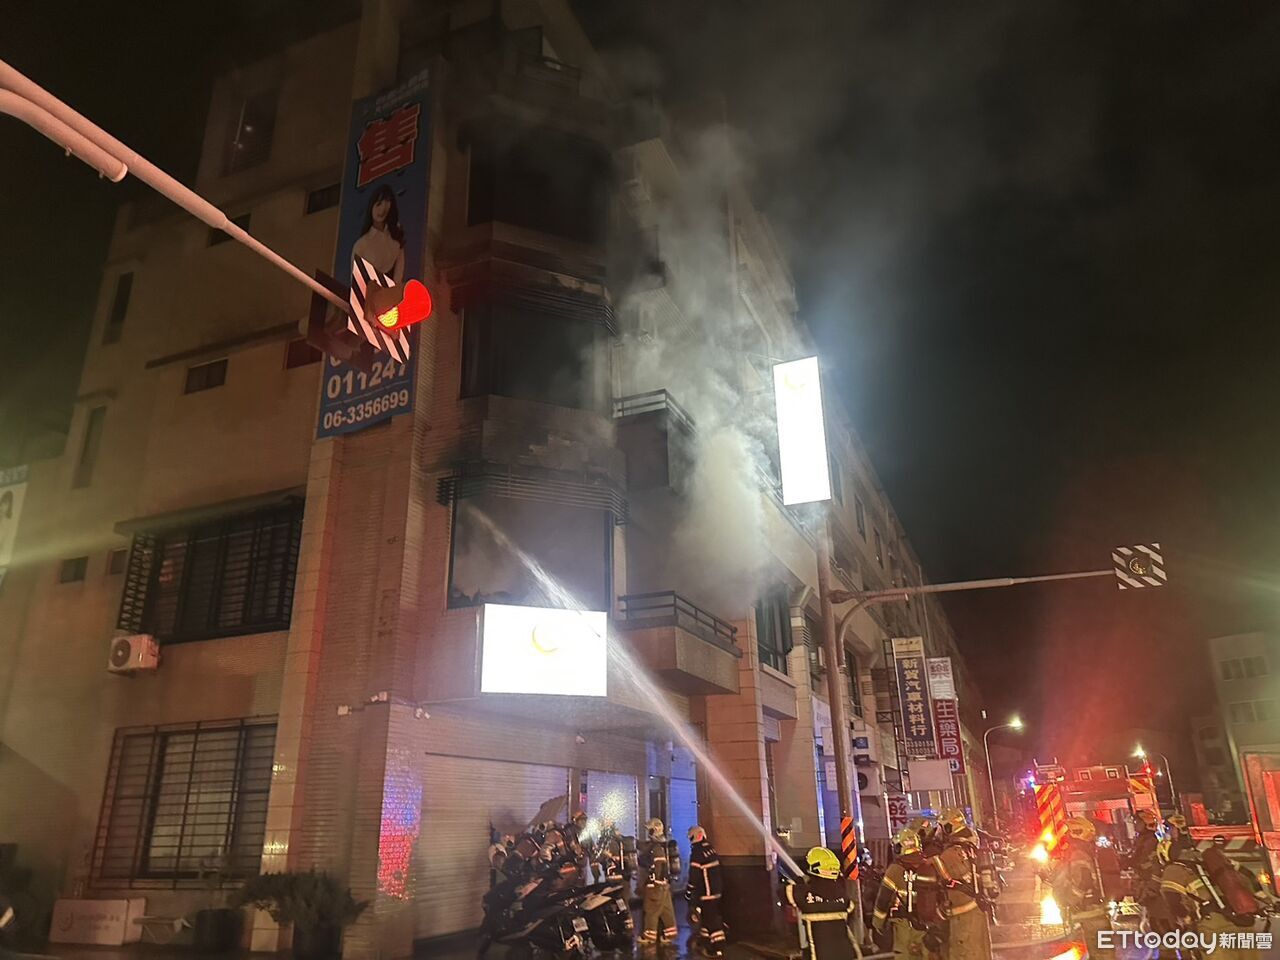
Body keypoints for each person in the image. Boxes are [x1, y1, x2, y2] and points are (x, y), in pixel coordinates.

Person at [1160, 839, 1261, 960]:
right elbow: (1248, 876)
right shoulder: (1211, 863)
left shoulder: (1173, 869)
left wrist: (1185, 919)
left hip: (1214, 926)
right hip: (1243, 922)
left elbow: (1172, 900)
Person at [872, 826, 944, 960]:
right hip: (929, 927)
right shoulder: (930, 865)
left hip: (905, 927)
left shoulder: (895, 870)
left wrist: (878, 924)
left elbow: (883, 900)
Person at [1046, 817, 1113, 960]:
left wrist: (1071, 901)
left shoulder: (1079, 855)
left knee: (1103, 954)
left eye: (1069, 832)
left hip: (1091, 912)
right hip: (1094, 912)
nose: (1066, 835)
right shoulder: (1083, 852)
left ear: (1077, 833)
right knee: (1099, 953)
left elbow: (1083, 881)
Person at [931, 807, 992, 960]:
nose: (939, 832)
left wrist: (930, 861)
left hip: (962, 918)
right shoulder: (971, 846)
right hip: (977, 911)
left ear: (948, 828)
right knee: (981, 953)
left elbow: (943, 879)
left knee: (963, 954)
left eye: (941, 827)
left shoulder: (949, 855)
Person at [784, 847, 858, 960]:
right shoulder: (842, 894)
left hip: (818, 956)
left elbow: (783, 892)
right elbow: (851, 911)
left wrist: (799, 881)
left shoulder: (804, 893)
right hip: (846, 955)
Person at [637, 818, 679, 949]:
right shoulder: (663, 844)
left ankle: (649, 937)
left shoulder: (656, 847)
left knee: (651, 910)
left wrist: (655, 883)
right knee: (666, 910)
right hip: (665, 885)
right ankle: (669, 935)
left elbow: (659, 865)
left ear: (653, 830)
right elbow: (643, 847)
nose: (647, 832)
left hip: (656, 885)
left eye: (649, 829)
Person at [686, 825, 727, 957]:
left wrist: (689, 891)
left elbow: (694, 875)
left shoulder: (697, 853)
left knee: (711, 920)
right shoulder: (711, 849)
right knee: (706, 919)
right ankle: (705, 942)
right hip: (717, 890)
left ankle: (717, 949)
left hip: (706, 893)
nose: (690, 841)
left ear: (696, 836)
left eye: (691, 838)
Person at [351, 184, 405, 284]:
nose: (382, 210)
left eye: (387, 203)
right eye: (379, 204)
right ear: (372, 206)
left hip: (391, 291)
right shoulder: (361, 245)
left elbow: (398, 278)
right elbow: (357, 280)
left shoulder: (396, 240)